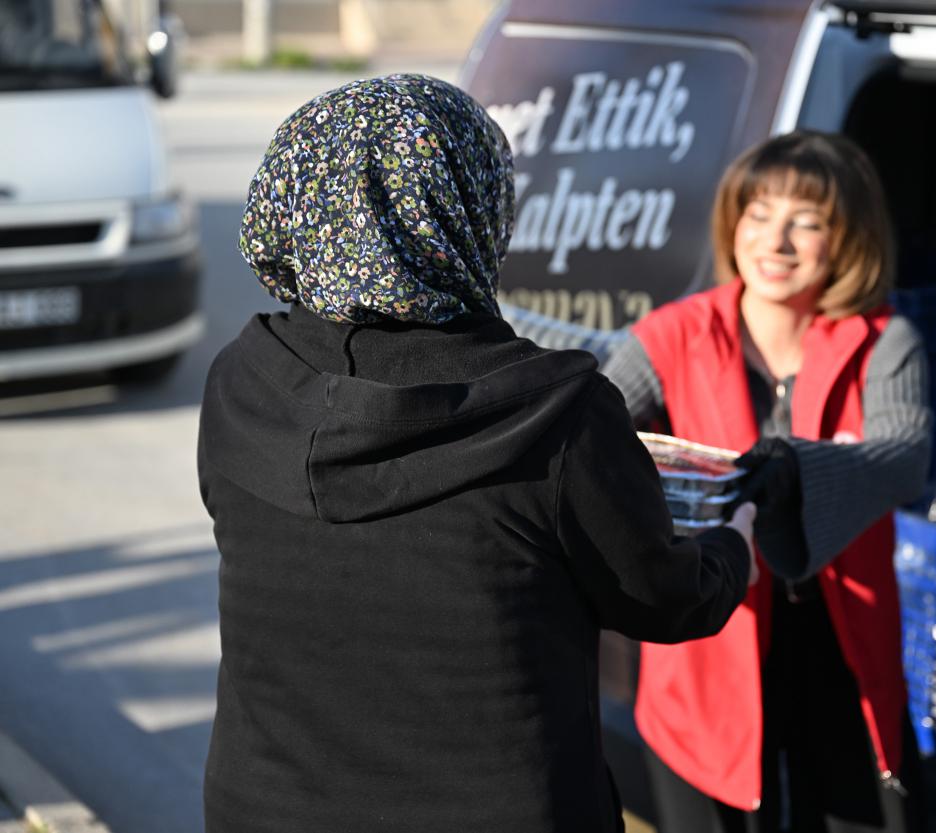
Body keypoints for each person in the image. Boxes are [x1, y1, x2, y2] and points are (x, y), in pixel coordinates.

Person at [197, 74, 757, 833]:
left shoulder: (243, 379)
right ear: (477, 204)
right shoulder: (558, 412)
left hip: (264, 810)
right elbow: (660, 598)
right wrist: (735, 545)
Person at [600, 130, 933, 832]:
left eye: (806, 222)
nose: (776, 241)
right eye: (758, 214)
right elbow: (589, 430)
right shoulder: (671, 334)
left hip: (842, 640)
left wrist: (797, 472)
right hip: (709, 639)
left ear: (849, 238)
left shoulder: (884, 339)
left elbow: (904, 453)